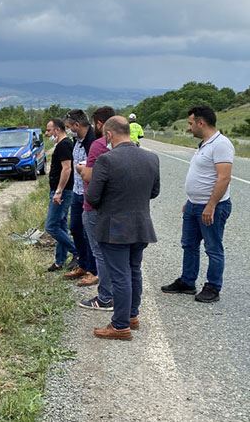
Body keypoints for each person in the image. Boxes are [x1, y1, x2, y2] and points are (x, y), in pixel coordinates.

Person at [87, 116, 160, 340]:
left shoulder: (106, 160)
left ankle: (120, 326)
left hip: (114, 228)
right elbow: (154, 192)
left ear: (108, 135)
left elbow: (93, 197)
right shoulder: (151, 158)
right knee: (134, 270)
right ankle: (131, 316)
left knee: (120, 276)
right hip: (140, 225)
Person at [161, 106, 234, 303]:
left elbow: (224, 178)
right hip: (194, 205)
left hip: (212, 207)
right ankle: (187, 281)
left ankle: (213, 287)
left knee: (213, 247)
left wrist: (211, 205)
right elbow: (202, 176)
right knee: (189, 245)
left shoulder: (221, 144)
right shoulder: (204, 144)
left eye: (191, 123)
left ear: (201, 123)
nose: (189, 127)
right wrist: (191, 200)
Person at [77, 106, 115, 311]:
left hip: (93, 206)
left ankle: (105, 297)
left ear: (100, 124)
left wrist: (82, 168)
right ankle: (117, 294)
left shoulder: (98, 145)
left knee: (99, 252)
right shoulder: (127, 147)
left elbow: (89, 177)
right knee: (114, 252)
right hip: (114, 207)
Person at [64, 109, 97, 286]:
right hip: (76, 191)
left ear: (77, 125)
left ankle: (93, 270)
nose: (68, 129)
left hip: (88, 193)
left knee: (88, 233)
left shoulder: (93, 142)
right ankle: (82, 264)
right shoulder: (76, 142)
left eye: (69, 126)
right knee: (75, 228)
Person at [44, 118, 78, 272]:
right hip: (60, 190)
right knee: (61, 225)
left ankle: (77, 252)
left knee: (51, 226)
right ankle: (60, 261)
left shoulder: (64, 145)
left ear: (57, 130)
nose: (47, 133)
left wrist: (58, 191)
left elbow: (67, 169)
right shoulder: (62, 145)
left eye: (49, 130)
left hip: (62, 191)